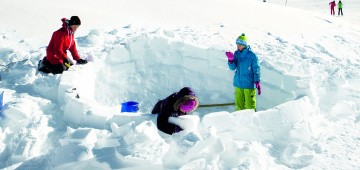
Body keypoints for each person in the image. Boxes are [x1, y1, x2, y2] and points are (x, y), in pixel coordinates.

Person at [225, 33, 261, 111]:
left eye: (239, 45)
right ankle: (239, 122)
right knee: (239, 107)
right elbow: (233, 67)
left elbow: (256, 69)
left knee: (250, 107)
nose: (237, 46)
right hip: (238, 84)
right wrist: (230, 60)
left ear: (244, 45)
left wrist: (257, 81)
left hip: (249, 85)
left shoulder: (252, 56)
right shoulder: (236, 53)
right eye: (237, 44)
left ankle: (251, 122)